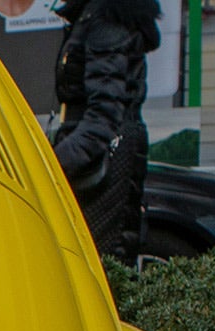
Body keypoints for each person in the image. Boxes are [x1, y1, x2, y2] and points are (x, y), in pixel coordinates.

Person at [52, 0, 163, 261]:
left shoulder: (108, 17)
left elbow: (103, 118)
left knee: (97, 267)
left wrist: (51, 166)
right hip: (101, 156)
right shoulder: (96, 13)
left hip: (102, 163)